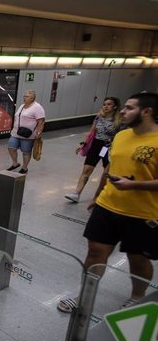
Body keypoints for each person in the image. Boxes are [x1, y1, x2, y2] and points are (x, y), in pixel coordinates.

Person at [57, 93, 158, 313]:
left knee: (137, 258)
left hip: (143, 213)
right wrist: (97, 196)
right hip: (107, 205)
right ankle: (84, 295)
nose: (123, 111)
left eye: (130, 108)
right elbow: (110, 170)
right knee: (95, 252)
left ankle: (137, 296)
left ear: (147, 112)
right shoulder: (121, 136)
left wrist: (133, 186)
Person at [65, 97, 122, 203]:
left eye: (109, 104)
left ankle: (105, 195)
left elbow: (121, 135)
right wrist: (84, 143)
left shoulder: (119, 120)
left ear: (115, 106)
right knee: (86, 170)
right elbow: (92, 131)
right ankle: (76, 193)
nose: (106, 106)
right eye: (104, 104)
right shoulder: (99, 117)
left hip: (109, 147)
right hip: (96, 144)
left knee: (108, 172)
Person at [7, 90, 45, 174]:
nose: (24, 98)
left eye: (27, 96)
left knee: (26, 151)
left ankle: (24, 168)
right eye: (24, 96)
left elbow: (41, 122)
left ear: (32, 98)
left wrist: (38, 133)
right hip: (16, 132)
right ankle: (15, 163)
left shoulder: (37, 107)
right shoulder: (22, 106)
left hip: (28, 135)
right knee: (11, 147)